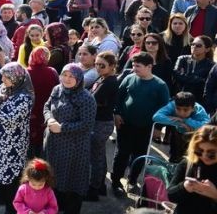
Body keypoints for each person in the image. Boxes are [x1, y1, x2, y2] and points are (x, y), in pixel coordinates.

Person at [111, 52, 170, 197]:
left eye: (138, 66)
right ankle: (116, 181)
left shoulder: (160, 85)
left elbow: (165, 108)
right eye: (133, 65)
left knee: (139, 155)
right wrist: (116, 113)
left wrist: (158, 128)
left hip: (146, 127)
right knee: (121, 153)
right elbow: (119, 97)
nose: (134, 68)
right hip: (125, 124)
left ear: (149, 66)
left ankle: (132, 180)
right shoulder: (129, 78)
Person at [0, 62, 34, 210]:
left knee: (11, 174)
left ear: (16, 78)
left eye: (6, 77)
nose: (2, 79)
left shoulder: (24, 98)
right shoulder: (2, 89)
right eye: (2, 75)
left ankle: (12, 205)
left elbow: (12, 120)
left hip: (14, 142)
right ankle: (1, 195)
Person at [44, 63, 96, 213]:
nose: (66, 79)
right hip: (54, 144)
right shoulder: (57, 89)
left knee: (72, 179)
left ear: (79, 79)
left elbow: (87, 124)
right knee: (55, 176)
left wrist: (62, 128)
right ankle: (56, 205)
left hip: (74, 147)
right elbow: (47, 107)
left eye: (71, 76)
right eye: (64, 75)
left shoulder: (86, 98)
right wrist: (49, 120)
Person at [85, 51, 118, 202]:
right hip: (98, 122)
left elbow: (92, 99)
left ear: (112, 66)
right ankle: (100, 187)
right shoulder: (103, 77)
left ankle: (94, 190)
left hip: (101, 124)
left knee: (96, 158)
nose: (98, 68)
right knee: (99, 156)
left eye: (102, 65)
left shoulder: (110, 81)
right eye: (97, 64)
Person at [167, 125, 217, 214]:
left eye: (211, 153)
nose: (204, 156)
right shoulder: (187, 163)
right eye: (199, 151)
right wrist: (184, 187)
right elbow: (170, 194)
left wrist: (215, 195)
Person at [153, 91, 210, 163]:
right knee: (175, 155)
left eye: (185, 110)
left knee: (190, 159)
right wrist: (179, 123)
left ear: (193, 108)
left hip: (194, 136)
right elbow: (156, 117)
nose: (181, 113)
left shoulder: (199, 110)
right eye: (178, 109)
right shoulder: (172, 105)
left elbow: (207, 125)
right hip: (177, 133)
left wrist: (185, 120)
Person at [27, 47, 60, 158]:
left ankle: (31, 161)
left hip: (31, 111)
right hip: (47, 109)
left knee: (31, 136)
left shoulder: (26, 73)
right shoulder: (52, 71)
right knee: (44, 135)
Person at [173, 35, 215, 111]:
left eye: (198, 45)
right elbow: (176, 76)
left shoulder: (211, 65)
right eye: (192, 44)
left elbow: (206, 84)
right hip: (178, 98)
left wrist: (185, 77)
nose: (194, 47)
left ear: (207, 49)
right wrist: (197, 79)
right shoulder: (182, 59)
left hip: (198, 102)